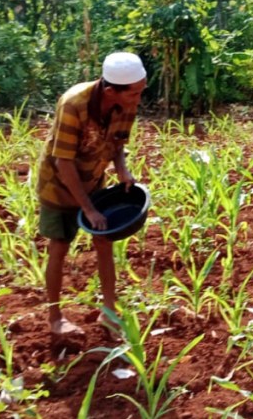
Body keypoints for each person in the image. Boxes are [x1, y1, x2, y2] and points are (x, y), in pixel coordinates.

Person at [36, 52, 147, 335]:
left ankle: (109, 311)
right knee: (59, 247)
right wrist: (88, 208)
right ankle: (55, 318)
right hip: (60, 184)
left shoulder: (127, 102)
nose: (138, 98)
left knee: (104, 241)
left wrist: (122, 169)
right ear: (111, 90)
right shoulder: (74, 105)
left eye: (141, 90)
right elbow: (64, 161)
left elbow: (118, 144)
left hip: (93, 177)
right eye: (134, 93)